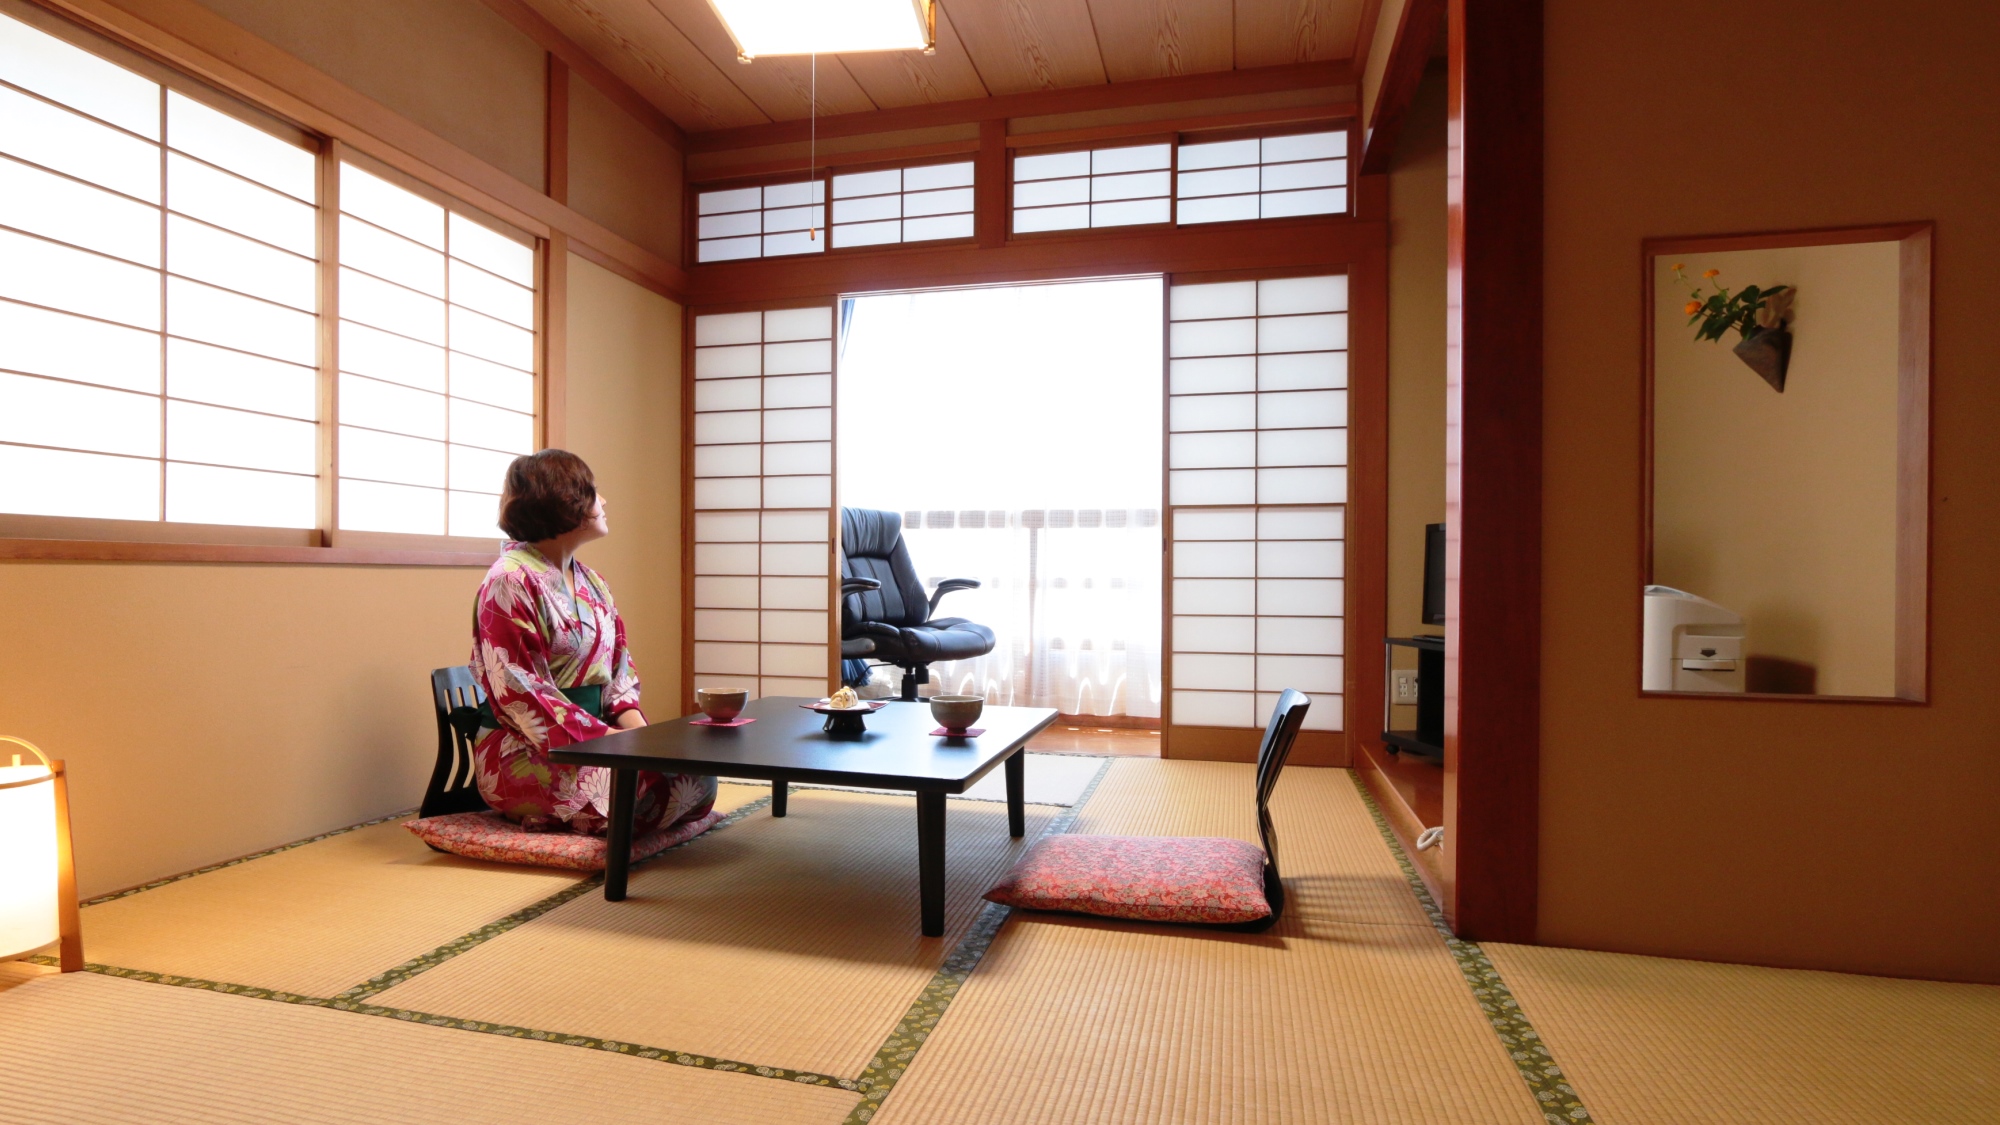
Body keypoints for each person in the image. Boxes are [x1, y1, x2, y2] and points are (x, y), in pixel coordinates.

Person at [468, 449, 715, 835]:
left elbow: (619, 675)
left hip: (600, 738)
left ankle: (581, 810)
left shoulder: (592, 582)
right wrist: (614, 744)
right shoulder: (509, 581)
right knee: (642, 793)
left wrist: (642, 740)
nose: (603, 501)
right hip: (525, 747)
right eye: (593, 491)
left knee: (696, 781)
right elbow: (522, 692)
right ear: (565, 499)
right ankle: (544, 806)